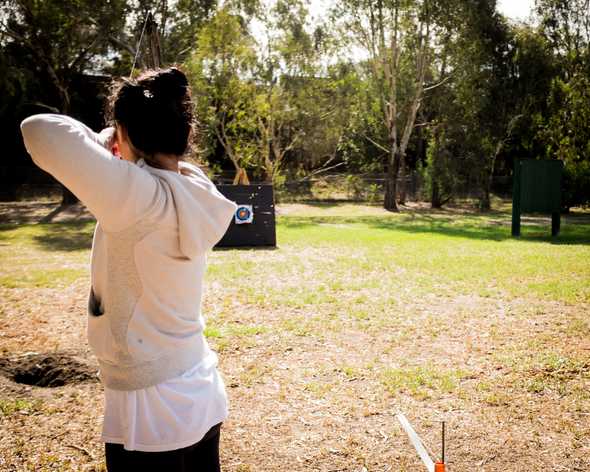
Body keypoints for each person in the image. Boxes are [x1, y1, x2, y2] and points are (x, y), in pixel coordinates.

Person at [20, 67, 238, 471]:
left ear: (129, 133)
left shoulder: (137, 197)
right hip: (198, 382)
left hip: (152, 402)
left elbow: (38, 130)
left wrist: (109, 139)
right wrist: (127, 139)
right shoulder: (194, 185)